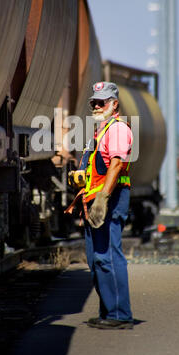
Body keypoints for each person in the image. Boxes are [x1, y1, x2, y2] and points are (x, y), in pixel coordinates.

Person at [67, 81, 134, 329]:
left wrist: (103, 198)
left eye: (102, 102)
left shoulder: (117, 130)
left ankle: (119, 315)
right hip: (95, 200)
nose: (96, 105)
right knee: (96, 260)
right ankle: (109, 311)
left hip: (110, 200)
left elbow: (116, 165)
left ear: (114, 104)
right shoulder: (101, 130)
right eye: (94, 102)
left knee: (107, 257)